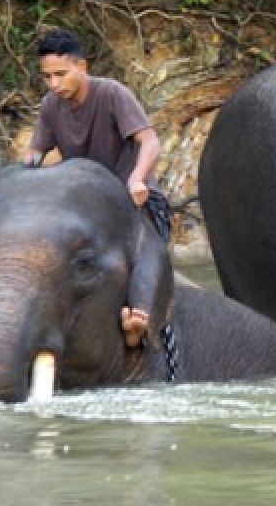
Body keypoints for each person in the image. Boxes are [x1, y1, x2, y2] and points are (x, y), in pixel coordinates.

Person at [25, 28, 170, 347]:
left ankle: (137, 319)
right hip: (85, 206)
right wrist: (26, 176)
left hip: (130, 199)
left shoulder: (111, 94)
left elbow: (149, 141)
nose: (54, 84)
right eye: (47, 77)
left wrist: (138, 178)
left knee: (144, 251)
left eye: (61, 74)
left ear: (83, 67)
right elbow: (35, 153)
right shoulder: (51, 106)